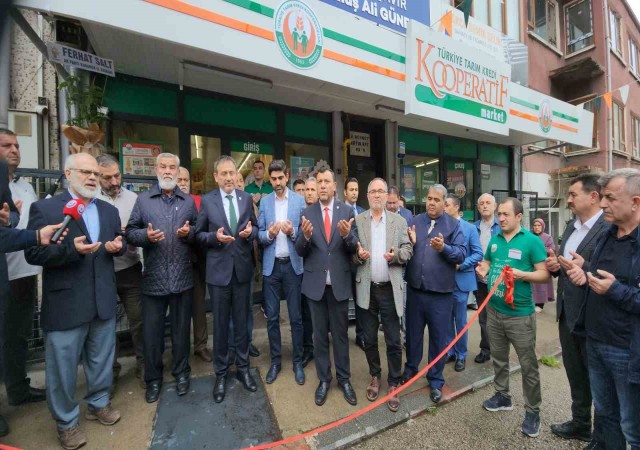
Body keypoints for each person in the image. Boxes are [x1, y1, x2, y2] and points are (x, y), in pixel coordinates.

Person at [25, 153, 124, 449]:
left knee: (101, 359)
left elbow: (117, 243)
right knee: (63, 369)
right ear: (68, 174)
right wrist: (71, 251)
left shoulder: (108, 211)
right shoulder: (46, 209)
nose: (92, 178)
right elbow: (33, 253)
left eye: (95, 173)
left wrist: (117, 246)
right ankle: (66, 423)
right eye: (85, 172)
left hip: (102, 299)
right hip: (66, 303)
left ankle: (99, 403)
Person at [565, 169, 640, 449]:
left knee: (632, 427)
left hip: (627, 350)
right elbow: (601, 276)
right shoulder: (607, 235)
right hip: (596, 340)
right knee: (606, 415)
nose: (604, 204)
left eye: (610, 198)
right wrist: (584, 273)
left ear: (636, 202)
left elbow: (617, 287)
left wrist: (615, 290)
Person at [125, 153, 197, 404]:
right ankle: (153, 379)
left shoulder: (188, 201)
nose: (168, 171)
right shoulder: (143, 200)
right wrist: (146, 236)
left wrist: (189, 233)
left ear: (178, 172)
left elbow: (198, 231)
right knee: (152, 334)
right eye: (163, 167)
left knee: (181, 331)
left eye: (172, 167)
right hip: (153, 279)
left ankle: (182, 373)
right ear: (156, 170)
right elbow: (130, 232)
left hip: (182, 278)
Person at [475, 197, 549, 438]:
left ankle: (533, 411)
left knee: (528, 365)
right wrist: (483, 268)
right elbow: (487, 262)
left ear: (519, 216)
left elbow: (544, 274)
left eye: (506, 214)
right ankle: (502, 396)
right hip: (494, 311)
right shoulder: (495, 240)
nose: (501, 218)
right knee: (499, 357)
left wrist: (522, 275)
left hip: (520, 315)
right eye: (499, 214)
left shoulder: (532, 241)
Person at [544, 174, 607, 443]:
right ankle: (581, 423)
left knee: (599, 378)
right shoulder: (571, 226)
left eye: (573, 194)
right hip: (567, 315)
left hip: (594, 317)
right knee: (575, 373)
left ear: (593, 197)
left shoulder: (608, 228)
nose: (568, 199)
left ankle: (603, 436)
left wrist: (587, 268)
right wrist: (555, 266)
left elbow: (613, 273)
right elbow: (568, 265)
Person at [195, 155, 258, 403]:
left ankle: (243, 369)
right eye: (224, 174)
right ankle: (220, 374)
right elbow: (198, 235)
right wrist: (214, 238)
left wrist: (251, 232)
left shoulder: (245, 199)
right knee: (220, 326)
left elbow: (254, 226)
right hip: (219, 274)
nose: (229, 177)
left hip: (242, 271)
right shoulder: (207, 201)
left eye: (232, 173)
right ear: (216, 177)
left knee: (242, 324)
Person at [295, 168, 359, 406]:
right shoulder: (307, 212)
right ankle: (324, 380)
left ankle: (344, 379)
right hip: (315, 287)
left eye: (326, 181)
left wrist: (347, 236)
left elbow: (354, 246)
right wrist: (305, 237)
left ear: (334, 186)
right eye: (319, 181)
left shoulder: (346, 211)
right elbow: (299, 250)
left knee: (341, 336)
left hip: (339, 284)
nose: (322, 185)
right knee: (320, 336)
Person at [353, 178, 412, 412]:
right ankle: (375, 376)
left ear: (387, 195)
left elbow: (408, 249)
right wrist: (358, 256)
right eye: (373, 191)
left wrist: (396, 255)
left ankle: (394, 382)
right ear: (367, 196)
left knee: (393, 340)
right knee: (368, 338)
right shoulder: (359, 220)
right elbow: (351, 253)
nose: (377, 195)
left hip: (389, 289)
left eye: (381, 191)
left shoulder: (399, 221)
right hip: (366, 288)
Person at [402, 184, 465, 404]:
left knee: (438, 339)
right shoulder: (415, 221)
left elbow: (461, 254)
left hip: (440, 295)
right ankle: (411, 369)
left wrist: (444, 248)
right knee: (413, 335)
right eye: (429, 198)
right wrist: (408, 243)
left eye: (436, 200)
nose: (431, 203)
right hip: (415, 291)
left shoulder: (453, 225)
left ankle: (436, 380)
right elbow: (405, 248)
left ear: (444, 203)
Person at [0, 129, 47, 410]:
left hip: (26, 272)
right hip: (4, 275)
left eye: (16, 145)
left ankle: (18, 388)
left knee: (19, 336)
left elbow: (22, 222)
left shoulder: (26, 186)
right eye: (6, 145)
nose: (14, 150)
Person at [96, 154, 145, 388]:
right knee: (105, 325)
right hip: (101, 271)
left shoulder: (134, 199)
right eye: (108, 178)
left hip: (130, 268)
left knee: (138, 319)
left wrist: (132, 234)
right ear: (97, 176)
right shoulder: (91, 199)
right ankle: (111, 372)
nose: (114, 182)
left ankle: (144, 366)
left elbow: (141, 231)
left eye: (117, 175)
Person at [258, 160, 306, 385]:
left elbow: (306, 234)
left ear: (287, 176)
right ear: (270, 179)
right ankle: (275, 362)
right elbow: (259, 234)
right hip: (272, 267)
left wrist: (292, 231)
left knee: (296, 318)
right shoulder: (265, 202)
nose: (277, 182)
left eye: (280, 178)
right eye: (273, 179)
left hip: (293, 266)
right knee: (272, 318)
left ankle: (297, 362)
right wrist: (269, 234)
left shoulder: (299, 201)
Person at [443, 194, 483, 372]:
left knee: (460, 320)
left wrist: (462, 264)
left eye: (447, 205)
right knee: (446, 319)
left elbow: (478, 253)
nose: (444, 208)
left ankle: (461, 354)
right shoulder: (440, 226)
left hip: (461, 280)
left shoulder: (470, 228)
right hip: (443, 281)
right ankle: (450, 351)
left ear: (457, 207)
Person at [177, 167, 212, 363]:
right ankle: (180, 348)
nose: (183, 183)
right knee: (180, 309)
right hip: (175, 263)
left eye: (186, 179)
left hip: (197, 261)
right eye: (179, 179)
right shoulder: (167, 203)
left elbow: (204, 228)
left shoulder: (199, 201)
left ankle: (201, 345)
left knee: (199, 306)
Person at [472, 193, 501, 364]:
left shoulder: (502, 226)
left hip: (500, 280)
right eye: (481, 203)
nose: (485, 206)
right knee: (483, 317)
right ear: (478, 207)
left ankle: (500, 350)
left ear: (495, 206)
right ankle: (486, 349)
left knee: (500, 317)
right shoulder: (473, 228)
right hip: (480, 280)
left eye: (488, 203)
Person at [343, 177, 366, 351]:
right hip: (344, 262)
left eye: (356, 189)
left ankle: (361, 335)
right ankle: (341, 335)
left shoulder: (364, 212)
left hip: (360, 264)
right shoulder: (340, 211)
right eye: (351, 189)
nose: (354, 193)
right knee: (342, 301)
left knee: (360, 301)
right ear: (345, 192)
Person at [300, 177, 319, 367]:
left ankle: (321, 346)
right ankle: (308, 348)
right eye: (307, 190)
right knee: (306, 312)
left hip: (322, 273)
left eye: (313, 189)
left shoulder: (326, 213)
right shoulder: (302, 214)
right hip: (303, 271)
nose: (310, 193)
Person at [531, 218, 555, 312]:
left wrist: (538, 249)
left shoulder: (547, 237)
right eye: (535, 225)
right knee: (531, 284)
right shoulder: (529, 236)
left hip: (543, 265)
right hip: (531, 265)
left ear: (543, 226)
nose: (537, 227)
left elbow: (551, 249)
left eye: (539, 225)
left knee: (541, 285)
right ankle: (532, 302)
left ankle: (540, 304)